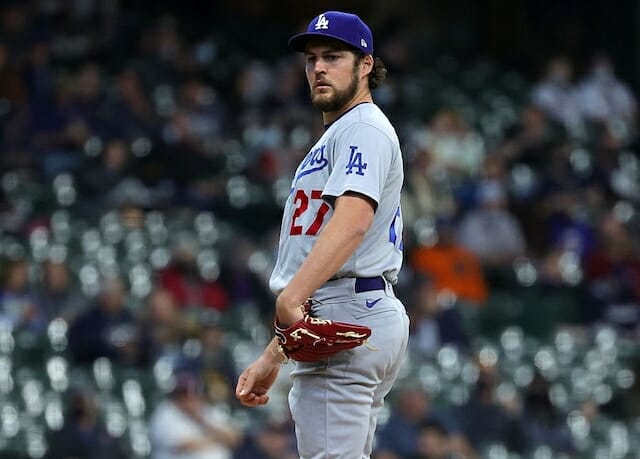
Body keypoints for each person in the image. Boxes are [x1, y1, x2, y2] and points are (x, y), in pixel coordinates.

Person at [235, 11, 410, 459]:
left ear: (366, 64)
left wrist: (288, 302)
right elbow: (322, 260)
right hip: (351, 305)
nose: (318, 68)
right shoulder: (343, 132)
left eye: (333, 57)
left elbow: (352, 223)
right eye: (311, 59)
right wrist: (273, 354)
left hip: (347, 307)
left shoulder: (362, 127)